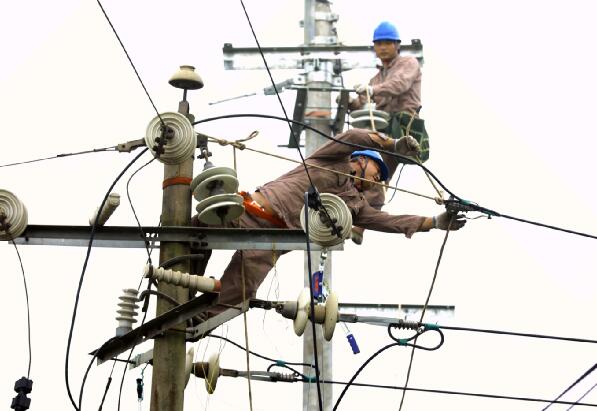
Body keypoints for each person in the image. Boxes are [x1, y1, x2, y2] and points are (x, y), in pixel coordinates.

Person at [206, 129, 464, 314]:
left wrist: (435, 221)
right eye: (378, 172)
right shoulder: (331, 159)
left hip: (272, 242)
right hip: (252, 210)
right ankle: (177, 284)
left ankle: (188, 324)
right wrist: (392, 145)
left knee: (239, 293)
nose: (377, 181)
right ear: (362, 160)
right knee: (197, 230)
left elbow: (389, 221)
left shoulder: (355, 206)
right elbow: (351, 137)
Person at [348, 21, 431, 244]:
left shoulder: (408, 63)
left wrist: (372, 90)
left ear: (397, 45)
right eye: (379, 44)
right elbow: (364, 100)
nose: (383, 47)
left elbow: (399, 85)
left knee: (375, 167)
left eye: (387, 43)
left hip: (403, 127)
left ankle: (361, 222)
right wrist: (350, 102)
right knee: (368, 167)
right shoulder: (377, 78)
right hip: (384, 127)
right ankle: (360, 221)